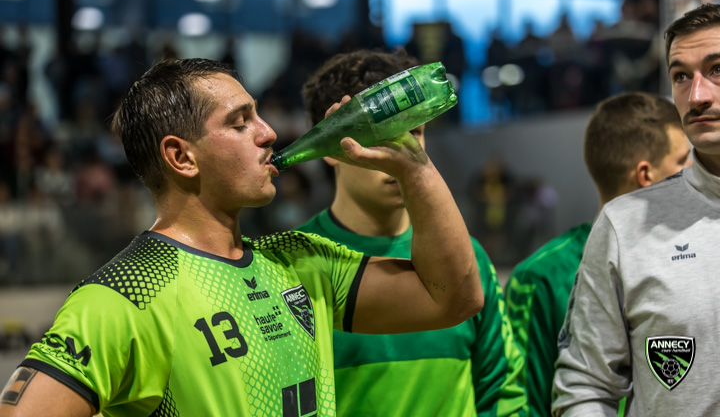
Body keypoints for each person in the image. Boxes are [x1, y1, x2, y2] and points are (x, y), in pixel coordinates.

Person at [0, 58, 484, 416]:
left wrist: (414, 169)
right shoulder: (126, 293)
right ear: (181, 157)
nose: (269, 132)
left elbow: (453, 298)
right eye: (240, 122)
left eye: (259, 116)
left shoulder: (299, 261)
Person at [297, 48, 528, 417]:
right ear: (326, 146)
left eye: (414, 131)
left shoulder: (467, 258)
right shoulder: (294, 266)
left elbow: (502, 390)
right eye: (379, 134)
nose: (401, 150)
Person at [551, 2, 720, 416]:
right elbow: (584, 387)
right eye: (681, 76)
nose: (697, 96)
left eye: (717, 69)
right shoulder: (623, 225)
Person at [505, 91, 692, 417]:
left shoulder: (693, 258)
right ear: (646, 176)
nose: (693, 170)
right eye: (682, 161)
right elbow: (523, 405)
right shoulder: (541, 277)